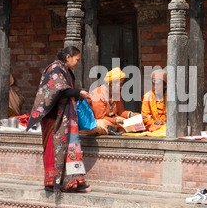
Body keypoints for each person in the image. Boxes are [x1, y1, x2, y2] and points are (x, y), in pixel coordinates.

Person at [26, 46, 91, 193]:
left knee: (70, 147)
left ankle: (72, 181)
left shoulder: (66, 70)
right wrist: (78, 92)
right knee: (53, 149)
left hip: (66, 116)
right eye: (77, 60)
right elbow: (58, 90)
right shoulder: (55, 68)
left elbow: (66, 92)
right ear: (68, 57)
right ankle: (51, 182)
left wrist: (78, 94)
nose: (77, 63)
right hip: (54, 117)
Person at [83, 67, 141, 135]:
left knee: (135, 125)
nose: (121, 87)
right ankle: (111, 130)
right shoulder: (98, 94)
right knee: (100, 125)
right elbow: (100, 117)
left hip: (111, 121)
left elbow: (120, 111)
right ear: (111, 84)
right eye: (120, 84)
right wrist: (116, 120)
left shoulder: (116, 93)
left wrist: (131, 115)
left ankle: (114, 129)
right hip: (98, 121)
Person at [141, 68, 167, 132]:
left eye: (158, 85)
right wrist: (155, 122)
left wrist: (164, 123)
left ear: (165, 86)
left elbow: (174, 116)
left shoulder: (171, 97)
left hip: (167, 125)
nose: (155, 87)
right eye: (153, 85)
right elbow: (144, 117)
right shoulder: (147, 97)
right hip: (153, 125)